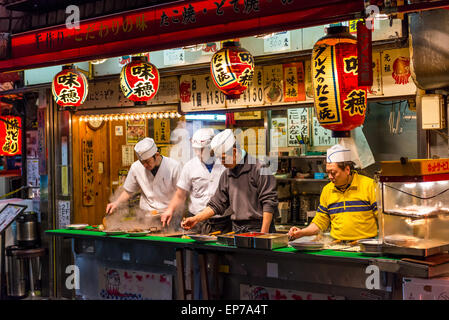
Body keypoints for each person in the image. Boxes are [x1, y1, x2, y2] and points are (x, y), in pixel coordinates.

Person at [181, 129, 279, 233]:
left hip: (259, 227)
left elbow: (269, 202)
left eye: (223, 158)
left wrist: (263, 234)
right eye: (219, 158)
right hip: (237, 229)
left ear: (234, 152)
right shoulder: (226, 175)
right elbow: (217, 204)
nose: (221, 163)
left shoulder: (260, 168)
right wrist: (195, 219)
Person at [288, 144, 378, 241]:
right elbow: (320, 221)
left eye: (333, 173)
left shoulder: (369, 185)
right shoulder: (327, 190)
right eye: (328, 172)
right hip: (338, 246)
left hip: (365, 245)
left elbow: (383, 218)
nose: (330, 177)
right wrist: (302, 232)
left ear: (347, 170)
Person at [162, 128, 232, 234]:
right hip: (196, 220)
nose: (199, 153)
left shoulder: (226, 164)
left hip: (223, 221)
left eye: (202, 149)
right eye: (196, 150)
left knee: (221, 250)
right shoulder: (189, 166)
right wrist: (170, 209)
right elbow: (180, 194)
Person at [106, 137, 181, 217]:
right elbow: (129, 191)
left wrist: (171, 209)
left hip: (168, 213)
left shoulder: (174, 166)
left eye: (147, 161)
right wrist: (116, 203)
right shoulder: (135, 167)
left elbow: (180, 193)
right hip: (146, 215)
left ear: (157, 155)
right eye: (142, 162)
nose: (145, 165)